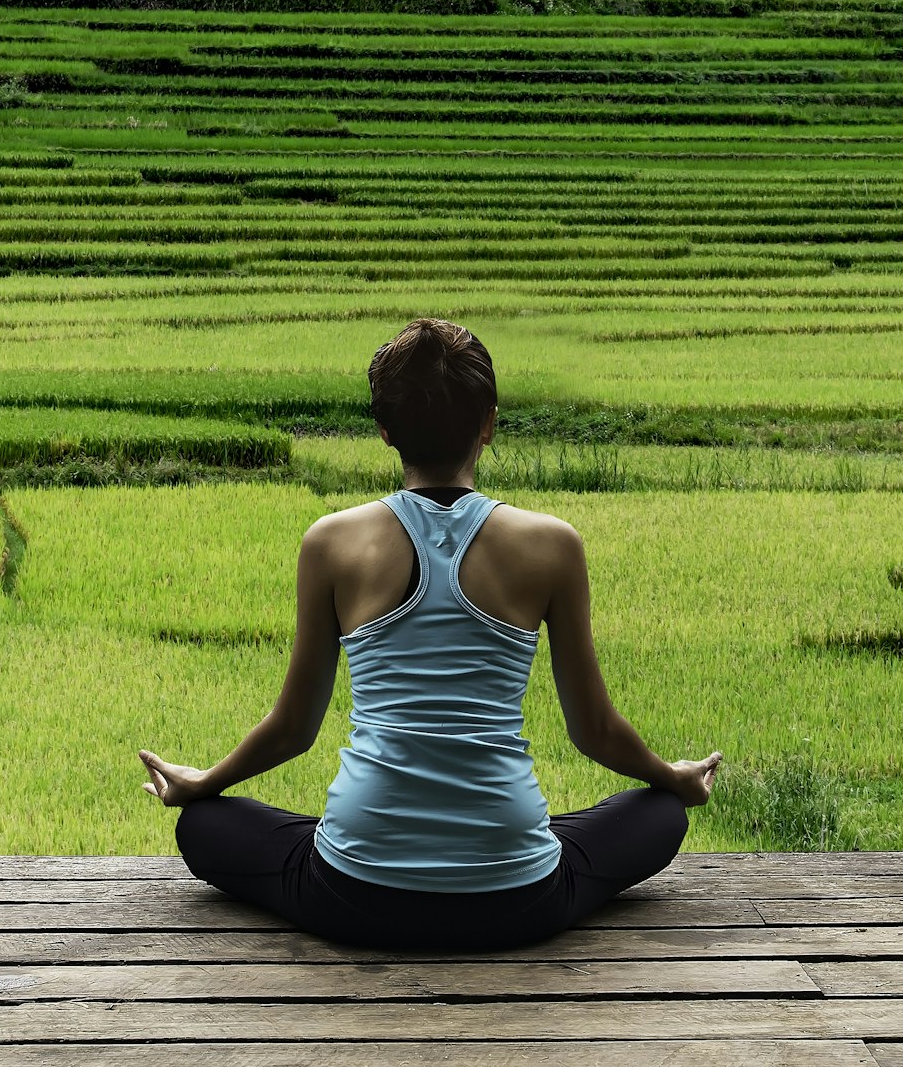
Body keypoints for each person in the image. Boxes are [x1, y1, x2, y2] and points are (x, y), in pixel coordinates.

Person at [138, 316, 722, 952]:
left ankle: (389, 843)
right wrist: (675, 778)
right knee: (660, 812)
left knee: (204, 827)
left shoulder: (331, 542)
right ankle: (501, 842)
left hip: (355, 894)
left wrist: (204, 783)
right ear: (489, 424)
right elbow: (597, 733)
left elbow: (292, 730)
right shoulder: (552, 545)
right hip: (516, 900)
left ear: (386, 432)